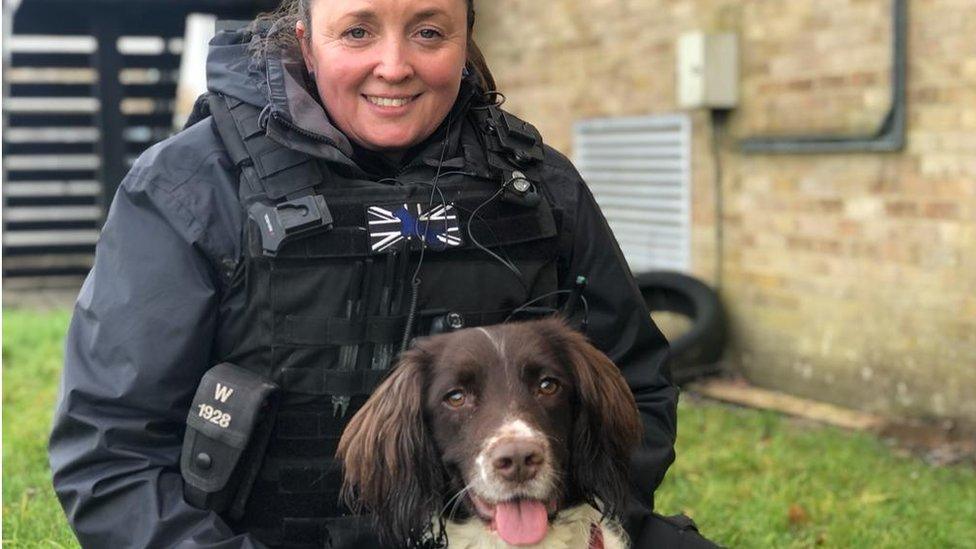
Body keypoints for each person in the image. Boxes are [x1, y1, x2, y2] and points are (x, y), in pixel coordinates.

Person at [49, 0, 716, 547]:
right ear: (307, 40)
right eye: (358, 31)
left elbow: (635, 387)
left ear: (466, 39)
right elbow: (109, 452)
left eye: (429, 31)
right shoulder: (192, 187)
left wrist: (579, 527)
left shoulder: (537, 187)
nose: (393, 66)